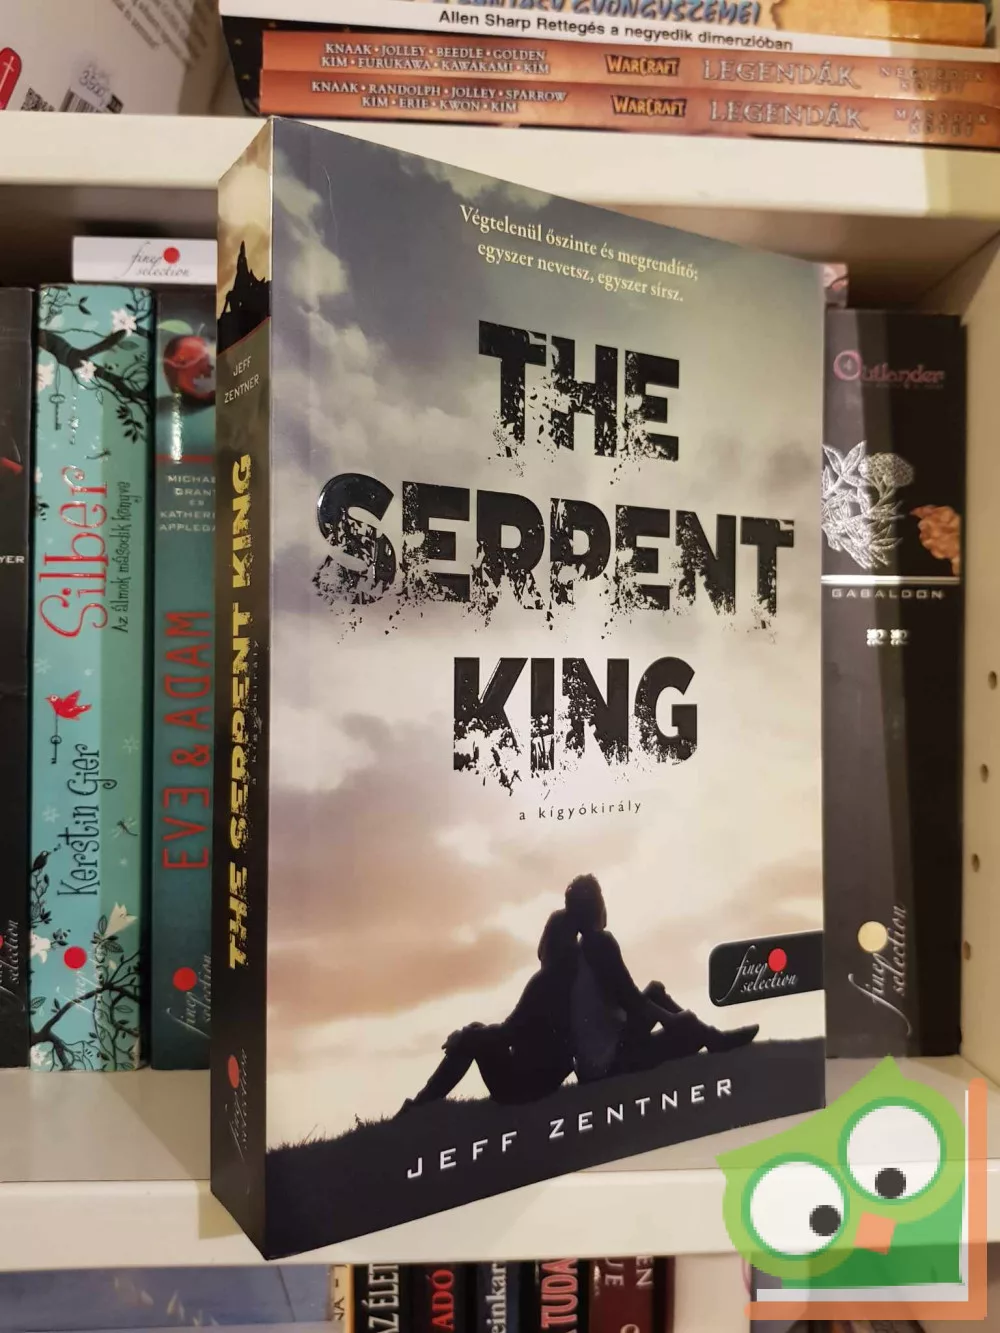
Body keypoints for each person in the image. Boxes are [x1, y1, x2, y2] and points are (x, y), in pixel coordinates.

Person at [563, 873, 758, 1084]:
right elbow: (632, 1000)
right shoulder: (600, 943)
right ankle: (713, 1039)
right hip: (611, 1063)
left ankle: (713, 1038)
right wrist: (672, 1020)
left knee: (656, 993)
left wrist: (670, 1018)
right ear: (599, 907)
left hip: (594, 1063)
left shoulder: (579, 952)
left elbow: (629, 1001)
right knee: (688, 1031)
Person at [398, 908, 580, 1112]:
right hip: (547, 1080)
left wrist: (465, 1036)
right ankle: (423, 1102)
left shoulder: (543, 982)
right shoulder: (571, 979)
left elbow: (507, 1033)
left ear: (549, 939)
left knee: (471, 1037)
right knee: (475, 1031)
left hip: (525, 1087)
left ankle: (420, 1105)